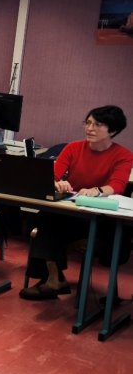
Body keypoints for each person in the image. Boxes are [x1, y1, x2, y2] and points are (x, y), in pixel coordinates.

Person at [22, 105, 133, 300]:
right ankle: (54, 278)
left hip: (100, 217)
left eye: (97, 125)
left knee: (48, 223)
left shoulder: (123, 155)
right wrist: (57, 183)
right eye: (88, 123)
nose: (89, 128)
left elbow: (117, 185)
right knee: (44, 217)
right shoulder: (73, 147)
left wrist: (98, 191)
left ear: (113, 131)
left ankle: (53, 280)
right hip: (73, 210)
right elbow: (52, 175)